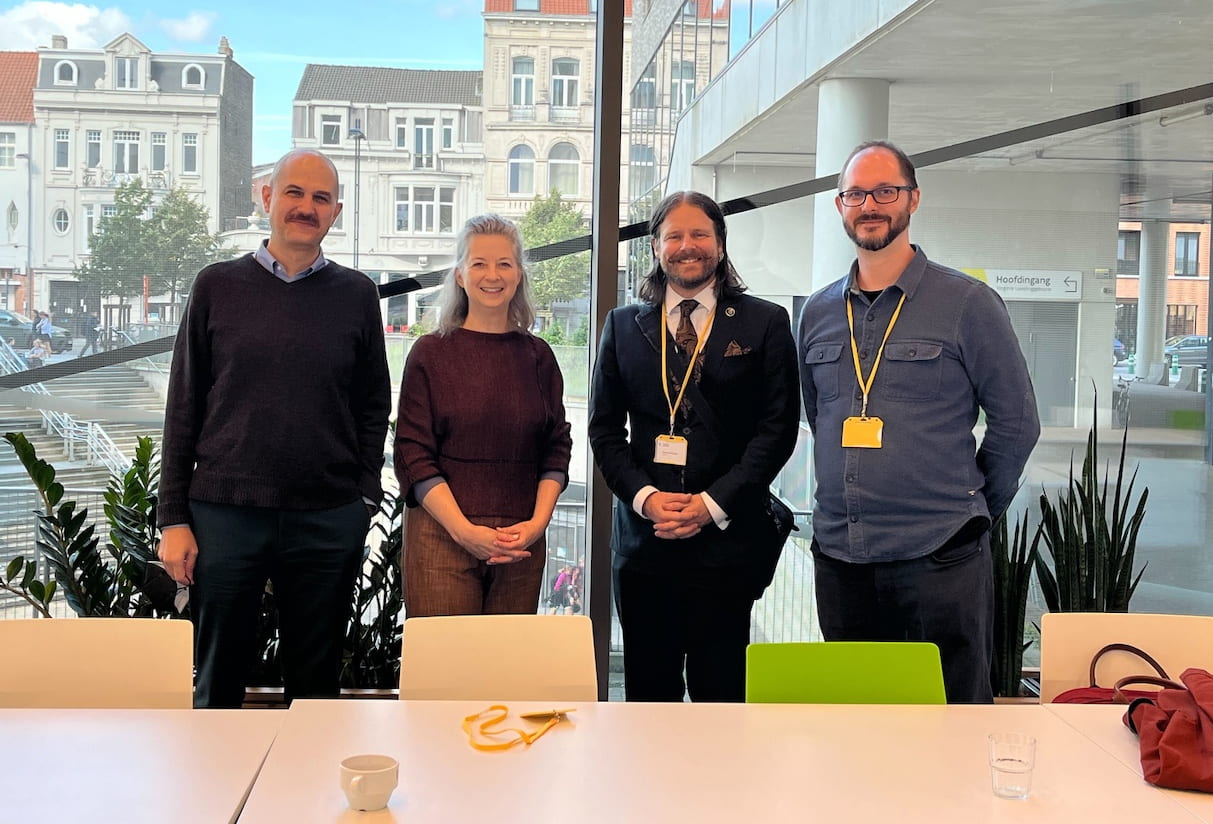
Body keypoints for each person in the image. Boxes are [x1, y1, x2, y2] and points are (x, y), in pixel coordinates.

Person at [798, 140, 1041, 704]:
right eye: (856, 193)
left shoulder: (967, 303)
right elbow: (820, 414)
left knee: (950, 723)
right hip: (841, 557)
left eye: (886, 191)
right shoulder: (817, 312)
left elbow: (1017, 424)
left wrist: (970, 507)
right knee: (855, 722)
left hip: (939, 558)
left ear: (913, 200)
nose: (870, 204)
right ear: (840, 206)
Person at [157, 148, 391, 707]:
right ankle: (217, 794)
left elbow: (372, 405)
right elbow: (183, 404)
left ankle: (305, 793)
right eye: (294, 192)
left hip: (326, 518)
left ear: (336, 211)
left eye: (320, 198)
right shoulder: (216, 286)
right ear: (267, 197)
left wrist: (361, 498)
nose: (306, 207)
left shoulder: (357, 294)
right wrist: (172, 518)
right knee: (218, 679)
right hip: (226, 513)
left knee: (315, 687)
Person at [589, 191, 799, 702]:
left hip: (727, 546)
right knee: (648, 696)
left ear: (721, 245)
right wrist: (645, 498)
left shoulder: (764, 323)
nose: (688, 246)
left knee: (722, 694)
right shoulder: (622, 326)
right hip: (645, 545)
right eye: (674, 235)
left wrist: (710, 505)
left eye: (700, 234)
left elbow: (777, 431)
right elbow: (604, 431)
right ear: (656, 246)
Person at [395, 213, 572, 617]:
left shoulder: (539, 357)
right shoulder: (430, 353)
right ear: (459, 275)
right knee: (448, 675)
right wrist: (464, 532)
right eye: (479, 263)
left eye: (504, 264)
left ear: (519, 274)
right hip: (441, 538)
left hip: (520, 543)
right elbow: (413, 452)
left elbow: (556, 448)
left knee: (506, 676)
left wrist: (537, 525)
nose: (492, 275)